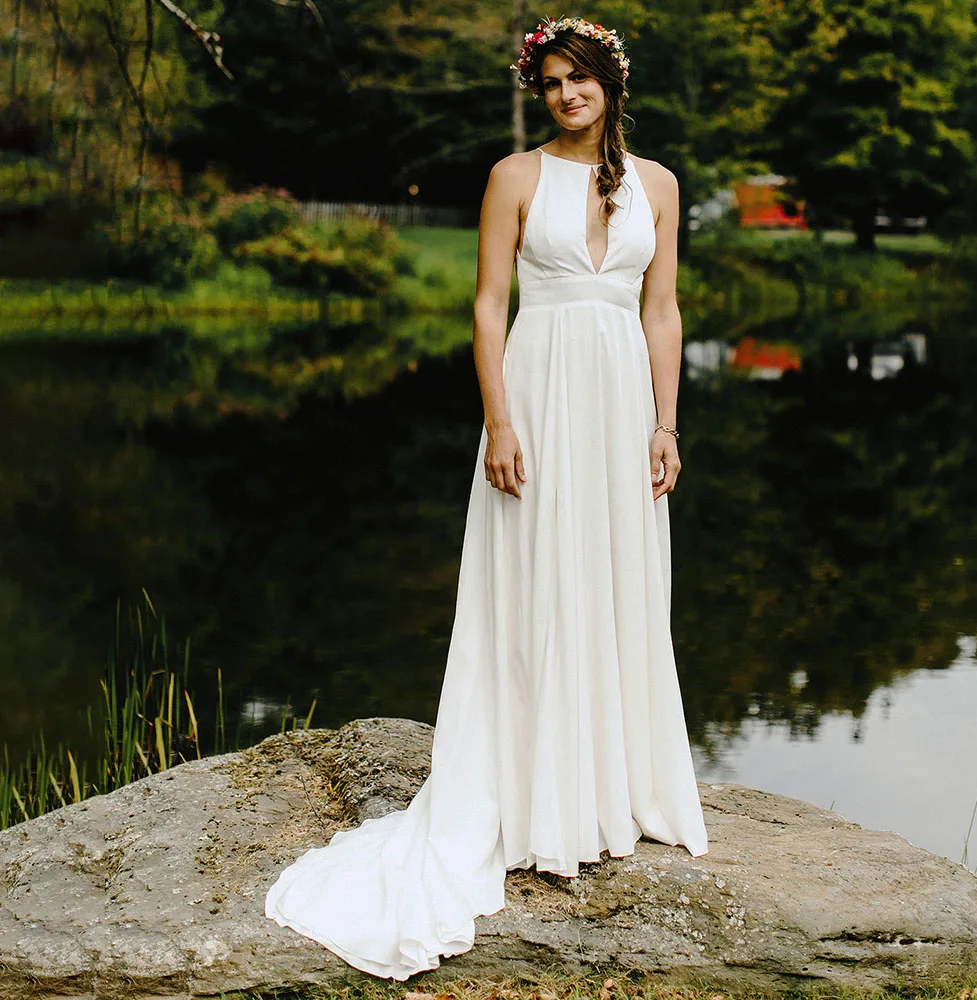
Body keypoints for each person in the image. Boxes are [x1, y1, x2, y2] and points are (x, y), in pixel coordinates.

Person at [264, 15, 709, 980]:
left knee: (617, 582)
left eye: (579, 78)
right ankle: (533, 785)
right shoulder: (513, 177)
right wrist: (500, 422)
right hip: (541, 392)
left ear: (611, 85)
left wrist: (666, 424)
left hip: (621, 401)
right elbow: (485, 306)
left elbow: (662, 309)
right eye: (550, 81)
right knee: (534, 583)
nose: (565, 94)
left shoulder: (662, 186)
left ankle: (612, 781)